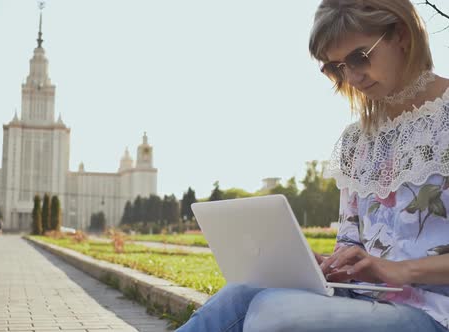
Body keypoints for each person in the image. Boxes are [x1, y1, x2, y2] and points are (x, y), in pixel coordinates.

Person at [176, 0, 449, 331]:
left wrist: (403, 270)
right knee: (238, 295)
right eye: (335, 67)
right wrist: (332, 265)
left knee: (273, 312)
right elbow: (352, 243)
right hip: (361, 300)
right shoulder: (357, 140)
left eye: (359, 57)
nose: (351, 76)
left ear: (402, 35)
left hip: (435, 311)